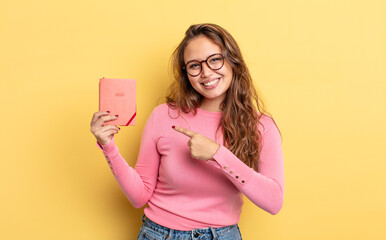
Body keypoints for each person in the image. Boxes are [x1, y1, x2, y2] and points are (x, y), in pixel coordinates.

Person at [90, 23, 284, 240]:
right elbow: (139, 196)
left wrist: (218, 154)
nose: (206, 72)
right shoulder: (163, 116)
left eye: (215, 59)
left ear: (232, 61)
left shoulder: (261, 126)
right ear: (186, 73)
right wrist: (108, 146)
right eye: (194, 65)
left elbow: (274, 202)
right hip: (158, 235)